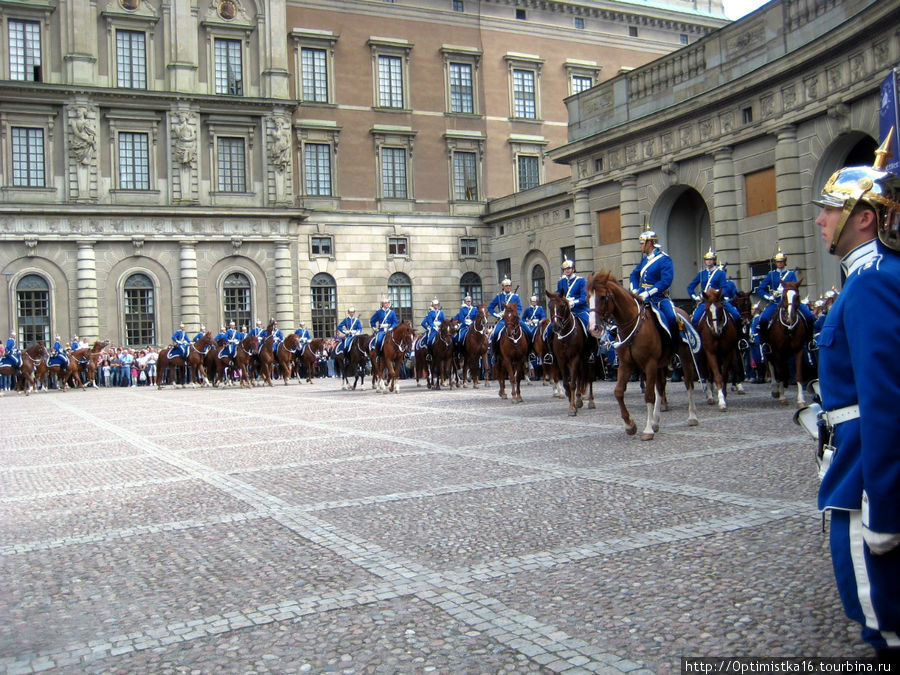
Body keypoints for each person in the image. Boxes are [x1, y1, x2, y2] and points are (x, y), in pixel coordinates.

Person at [813, 132, 900, 662]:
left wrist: (886, 508)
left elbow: (886, 399)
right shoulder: (862, 280)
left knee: (882, 614)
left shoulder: (870, 283)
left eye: (830, 209)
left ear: (864, 216)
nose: (821, 219)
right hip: (855, 446)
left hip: (864, 461)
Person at [629, 229, 693, 347]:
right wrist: (634, 290)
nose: (640, 246)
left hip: (659, 298)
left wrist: (648, 293)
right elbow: (634, 275)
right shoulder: (645, 260)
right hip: (641, 296)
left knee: (671, 318)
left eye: (642, 243)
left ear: (649, 243)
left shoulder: (664, 259)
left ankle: (674, 349)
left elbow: (665, 281)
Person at [754, 248, 815, 346]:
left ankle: (810, 341)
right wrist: (769, 297)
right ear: (775, 263)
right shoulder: (771, 275)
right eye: (778, 262)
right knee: (763, 319)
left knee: (809, 316)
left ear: (785, 262)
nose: (780, 264)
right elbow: (760, 289)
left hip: (790, 301)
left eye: (781, 262)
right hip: (776, 301)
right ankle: (765, 343)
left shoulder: (791, 274)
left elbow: (795, 287)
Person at [686, 249, 741, 326]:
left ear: (714, 261)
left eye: (711, 259)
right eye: (707, 259)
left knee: (736, 315)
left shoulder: (720, 273)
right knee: (694, 320)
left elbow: (724, 287)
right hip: (705, 301)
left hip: (717, 300)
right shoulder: (702, 274)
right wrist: (695, 297)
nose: (708, 261)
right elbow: (690, 287)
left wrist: (718, 293)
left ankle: (740, 336)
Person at [487, 278, 522, 354]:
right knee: (495, 333)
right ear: (503, 287)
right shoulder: (499, 297)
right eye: (506, 286)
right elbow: (490, 307)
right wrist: (497, 314)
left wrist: (516, 315)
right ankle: (495, 354)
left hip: (515, 319)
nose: (508, 287)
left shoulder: (515, 297)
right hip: (503, 320)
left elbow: (519, 308)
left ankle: (529, 355)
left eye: (509, 286)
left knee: (528, 332)